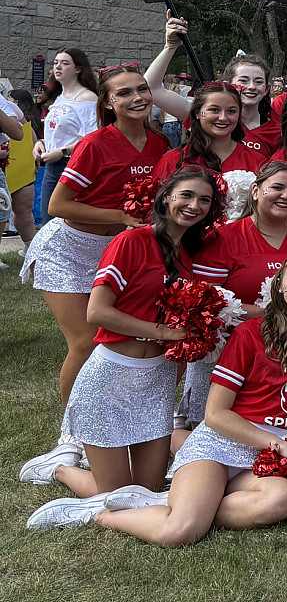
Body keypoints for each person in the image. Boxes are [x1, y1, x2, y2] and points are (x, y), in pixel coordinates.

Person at [28, 255, 287, 539]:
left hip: (274, 451)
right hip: (223, 444)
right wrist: (278, 444)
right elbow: (215, 415)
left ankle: (163, 501)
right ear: (279, 287)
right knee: (181, 530)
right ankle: (98, 514)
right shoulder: (250, 333)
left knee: (279, 501)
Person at [20, 168, 219, 499]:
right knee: (116, 496)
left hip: (157, 382)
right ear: (166, 197)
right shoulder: (130, 241)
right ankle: (60, 468)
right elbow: (97, 312)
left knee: (148, 491)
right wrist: (165, 332)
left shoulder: (189, 256)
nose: (194, 205)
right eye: (186, 195)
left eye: (204, 200)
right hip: (109, 378)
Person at [23, 63, 170, 448]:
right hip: (67, 249)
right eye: (124, 93)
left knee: (112, 342)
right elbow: (57, 204)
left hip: (114, 251)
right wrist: (122, 216)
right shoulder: (94, 144)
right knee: (86, 342)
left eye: (142, 89)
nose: (137, 97)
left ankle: (108, 415)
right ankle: (71, 434)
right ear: (107, 102)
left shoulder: (160, 144)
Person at [180, 162, 287, 443]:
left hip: (285, 353)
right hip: (227, 352)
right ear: (256, 191)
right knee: (215, 437)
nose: (285, 196)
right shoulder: (223, 238)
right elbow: (206, 302)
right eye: (277, 187)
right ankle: (176, 434)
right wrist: (273, 312)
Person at [145, 19, 281, 157]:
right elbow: (151, 89)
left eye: (258, 82)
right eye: (243, 81)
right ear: (228, 84)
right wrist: (170, 47)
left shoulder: (277, 131)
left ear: (266, 89)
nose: (251, 87)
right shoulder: (207, 116)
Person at [34, 47, 99, 226]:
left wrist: (62, 151)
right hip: (52, 166)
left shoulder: (87, 98)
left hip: (73, 166)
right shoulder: (59, 97)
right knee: (48, 222)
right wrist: (41, 143)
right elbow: (58, 132)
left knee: (68, 223)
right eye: (55, 63)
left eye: (65, 63)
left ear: (78, 68)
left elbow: (92, 139)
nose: (58, 67)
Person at [152, 84, 261, 178]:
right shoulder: (173, 161)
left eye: (231, 111)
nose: (223, 117)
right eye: (214, 110)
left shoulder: (257, 161)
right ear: (197, 113)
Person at [1, 87, 41, 243]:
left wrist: (34, 152)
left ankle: (30, 249)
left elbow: (26, 129)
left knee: (23, 207)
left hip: (17, 162)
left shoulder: (9, 107)